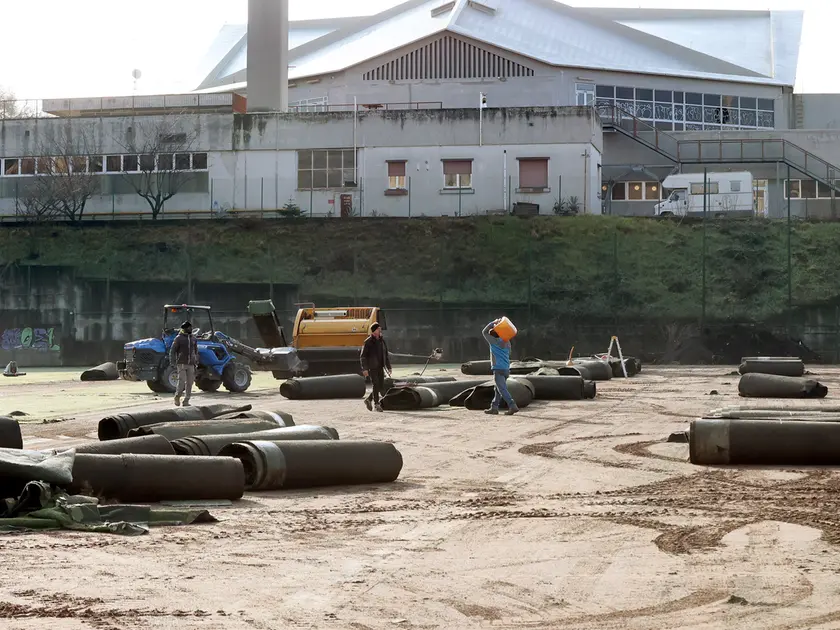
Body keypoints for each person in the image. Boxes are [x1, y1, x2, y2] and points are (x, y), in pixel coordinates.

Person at [482, 319, 519, 416]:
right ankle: (494, 407)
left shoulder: (493, 342)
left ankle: (512, 405)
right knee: (498, 388)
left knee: (502, 389)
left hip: (497, 368)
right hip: (506, 368)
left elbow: (484, 332)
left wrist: (492, 323)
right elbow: (509, 353)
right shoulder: (507, 342)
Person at [360, 322, 391, 412]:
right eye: (378, 329)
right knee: (376, 384)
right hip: (372, 367)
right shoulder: (368, 342)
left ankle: (369, 399)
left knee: (380, 385)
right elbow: (363, 356)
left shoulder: (382, 341)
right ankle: (376, 404)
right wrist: (364, 368)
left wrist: (388, 366)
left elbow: (385, 354)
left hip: (380, 366)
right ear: (374, 331)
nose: (380, 330)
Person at [170, 320, 198, 407]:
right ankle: (177, 397)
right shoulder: (178, 338)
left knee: (190, 383)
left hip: (191, 364)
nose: (191, 329)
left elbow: (196, 351)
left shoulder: (193, 338)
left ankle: (186, 401)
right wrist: (172, 361)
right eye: (189, 327)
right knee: (181, 382)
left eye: (191, 327)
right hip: (181, 363)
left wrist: (196, 361)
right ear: (185, 329)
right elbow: (172, 351)